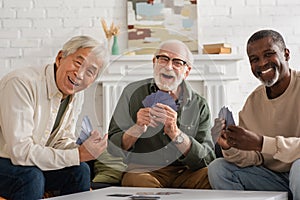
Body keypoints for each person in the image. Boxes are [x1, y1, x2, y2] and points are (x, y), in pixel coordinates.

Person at [0, 35, 109, 199]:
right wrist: (77, 155)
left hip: (28, 163)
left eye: (90, 71)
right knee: (31, 177)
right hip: (6, 159)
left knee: (79, 170)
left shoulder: (76, 94)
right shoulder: (21, 83)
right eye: (78, 63)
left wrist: (87, 150)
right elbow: (20, 152)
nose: (79, 74)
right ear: (60, 58)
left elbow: (60, 141)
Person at [108, 39, 215, 188]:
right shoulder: (132, 92)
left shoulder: (199, 104)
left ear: (187, 71)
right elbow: (113, 146)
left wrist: (176, 134)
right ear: (154, 63)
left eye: (177, 62)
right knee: (137, 182)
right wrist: (137, 129)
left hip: (187, 173)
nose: (168, 66)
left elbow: (207, 158)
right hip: (144, 171)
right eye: (163, 59)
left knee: (213, 176)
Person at [208, 29, 300, 200]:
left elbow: (260, 146)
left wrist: (261, 143)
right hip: (273, 178)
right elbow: (252, 158)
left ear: (286, 54)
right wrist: (229, 146)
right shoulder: (253, 102)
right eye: (254, 59)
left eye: (269, 54)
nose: (262, 63)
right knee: (219, 168)